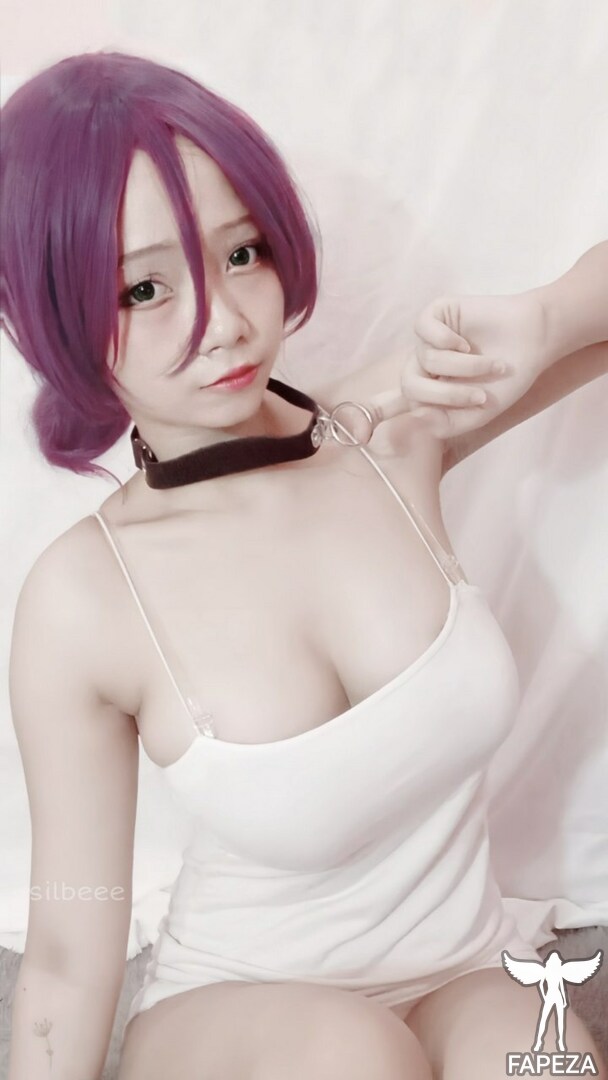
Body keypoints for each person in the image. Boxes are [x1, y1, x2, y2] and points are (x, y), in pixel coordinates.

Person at [2, 49, 606, 1080]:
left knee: (537, 1059)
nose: (226, 323)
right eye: (144, 287)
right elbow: (67, 948)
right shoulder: (87, 595)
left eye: (241, 253)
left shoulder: (388, 432)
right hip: (234, 1011)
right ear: (59, 314)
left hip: (464, 973)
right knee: (350, 1057)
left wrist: (546, 316)